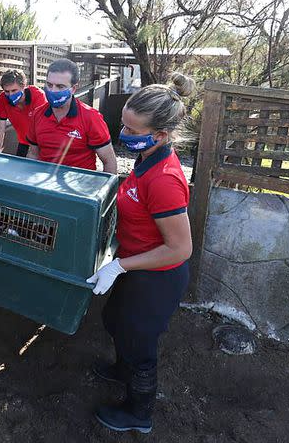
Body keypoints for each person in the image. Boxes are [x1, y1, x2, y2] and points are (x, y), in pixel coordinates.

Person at [85, 72, 195, 434]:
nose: (124, 136)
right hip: (136, 263)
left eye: (133, 132)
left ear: (161, 135)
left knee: (139, 342)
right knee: (115, 320)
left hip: (157, 274)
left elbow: (179, 248)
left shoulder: (164, 178)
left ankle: (139, 412)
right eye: (124, 126)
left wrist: (119, 265)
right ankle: (122, 369)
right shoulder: (147, 158)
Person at [26, 58, 118, 173]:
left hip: (79, 187)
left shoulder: (91, 117)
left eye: (60, 86)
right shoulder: (37, 115)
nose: (53, 91)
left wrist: (107, 190)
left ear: (73, 89)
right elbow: (33, 154)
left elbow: (109, 161)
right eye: (49, 85)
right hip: (44, 186)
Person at [0, 69, 47, 157]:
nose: (10, 95)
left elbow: (43, 126)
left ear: (23, 86)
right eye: (7, 91)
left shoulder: (38, 96)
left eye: (14, 91)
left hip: (42, 144)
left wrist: (33, 152)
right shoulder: (3, 98)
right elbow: (0, 127)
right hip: (23, 142)